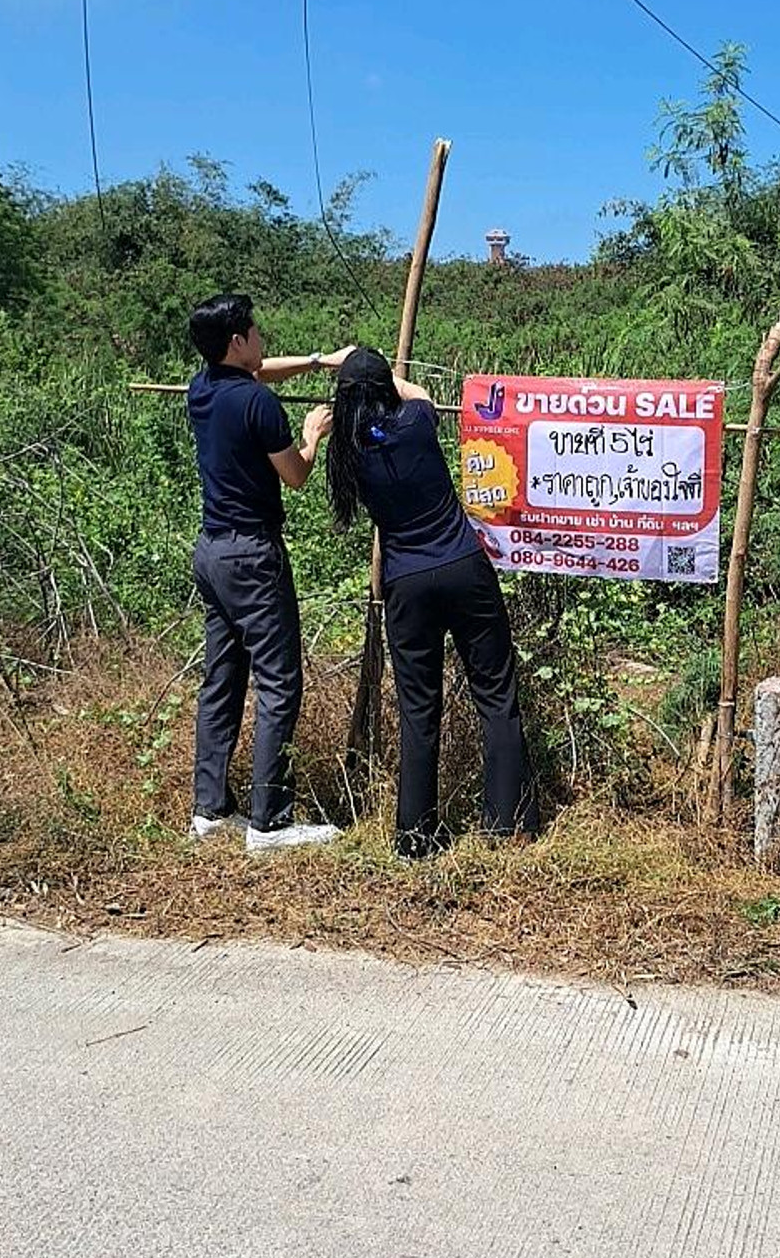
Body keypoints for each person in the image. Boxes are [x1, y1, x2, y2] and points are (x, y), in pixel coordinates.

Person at [327, 346, 538, 857]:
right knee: (495, 694)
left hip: (406, 584)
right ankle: (506, 825)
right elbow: (415, 391)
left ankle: (415, 836)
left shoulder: (347, 453)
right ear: (384, 388)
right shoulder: (417, 422)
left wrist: (348, 386)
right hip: (464, 568)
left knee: (418, 709)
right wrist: (366, 371)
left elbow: (370, 408)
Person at [185, 292, 353, 851]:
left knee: (222, 679)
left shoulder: (202, 388)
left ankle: (210, 810)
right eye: (255, 331)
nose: (263, 338)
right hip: (254, 556)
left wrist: (317, 362)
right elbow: (297, 476)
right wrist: (312, 434)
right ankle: (270, 821)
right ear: (237, 340)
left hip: (211, 552)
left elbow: (256, 372)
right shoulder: (261, 407)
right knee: (279, 683)